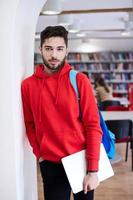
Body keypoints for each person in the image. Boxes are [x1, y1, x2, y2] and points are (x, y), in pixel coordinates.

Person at [21, 26, 102, 200]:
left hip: (81, 161)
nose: (54, 55)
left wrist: (93, 169)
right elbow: (29, 123)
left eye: (59, 49)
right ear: (40, 48)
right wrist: (40, 154)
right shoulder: (28, 85)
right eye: (48, 48)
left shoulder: (80, 80)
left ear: (67, 50)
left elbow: (93, 126)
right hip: (50, 164)